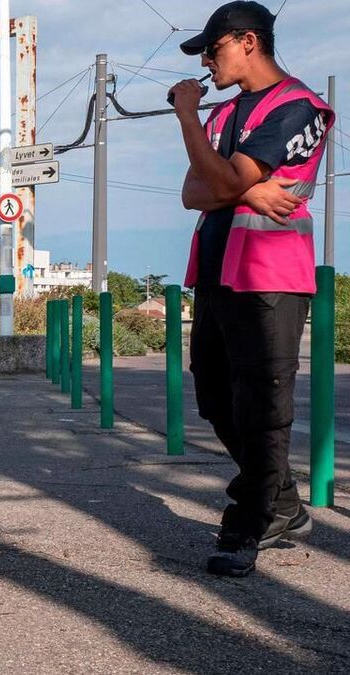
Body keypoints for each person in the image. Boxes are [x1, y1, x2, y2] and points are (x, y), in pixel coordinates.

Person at [169, 1, 333, 577]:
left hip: (269, 273)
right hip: (216, 272)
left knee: (262, 404)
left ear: (245, 42)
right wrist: (246, 190)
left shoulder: (298, 107)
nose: (206, 63)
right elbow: (194, 191)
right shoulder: (224, 117)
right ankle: (282, 503)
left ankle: (249, 523)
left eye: (211, 50)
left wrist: (188, 117)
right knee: (215, 397)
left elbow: (222, 178)